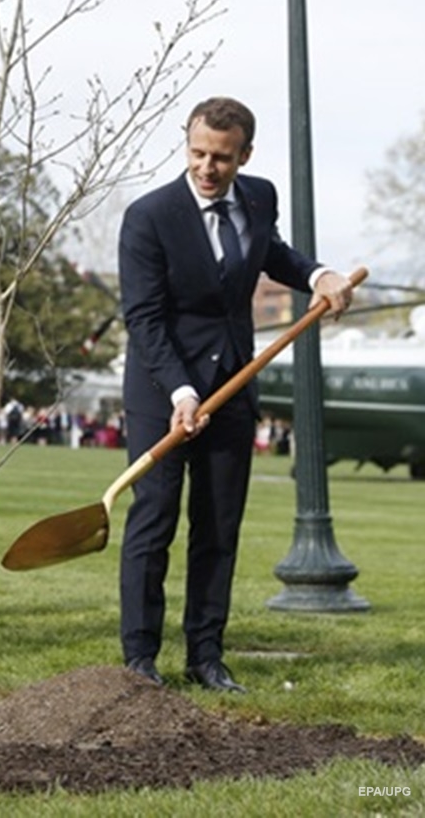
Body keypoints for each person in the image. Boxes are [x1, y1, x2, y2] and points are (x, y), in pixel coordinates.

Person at [117, 96, 354, 694]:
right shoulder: (149, 218)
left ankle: (206, 657)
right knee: (154, 524)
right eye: (197, 152)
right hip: (161, 392)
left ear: (244, 155)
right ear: (187, 144)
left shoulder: (258, 196)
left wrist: (316, 274)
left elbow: (268, 252)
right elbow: (145, 321)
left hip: (233, 388)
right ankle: (140, 662)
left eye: (221, 157)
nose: (207, 167)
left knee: (218, 529)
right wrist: (180, 391)